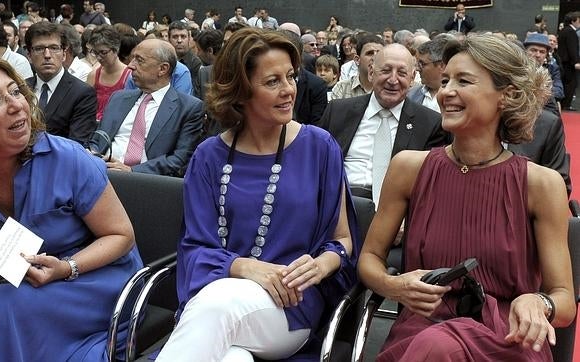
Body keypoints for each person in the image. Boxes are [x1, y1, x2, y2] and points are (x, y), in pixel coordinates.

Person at [358, 34, 575, 361]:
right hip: (422, 330)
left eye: (463, 81)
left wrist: (538, 302)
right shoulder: (408, 168)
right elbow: (369, 259)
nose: (446, 92)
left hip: (507, 337)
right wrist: (395, 286)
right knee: (437, 346)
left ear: (507, 95)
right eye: (445, 80)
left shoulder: (541, 184)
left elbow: (564, 303)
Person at [154, 27, 358, 362]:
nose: (288, 90)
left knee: (218, 306)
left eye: (290, 77)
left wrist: (321, 265)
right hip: (218, 294)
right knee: (233, 356)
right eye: (272, 81)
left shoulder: (319, 147)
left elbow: (344, 239)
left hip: (292, 302)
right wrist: (245, 267)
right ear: (241, 90)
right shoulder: (208, 157)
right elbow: (194, 247)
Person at [0, 53, 142, 360]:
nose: (17, 104)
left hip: (97, 285)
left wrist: (66, 268)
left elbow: (121, 236)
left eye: (16, 91)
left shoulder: (68, 159)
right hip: (20, 297)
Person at [317, 43, 447, 204]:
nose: (393, 80)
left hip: (395, 213)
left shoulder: (430, 124)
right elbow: (315, 164)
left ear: (412, 79)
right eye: (385, 71)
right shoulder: (338, 111)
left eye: (402, 73)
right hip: (337, 204)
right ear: (371, 73)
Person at [91, 39, 203, 176]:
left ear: (163, 69)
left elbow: (179, 159)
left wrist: (132, 171)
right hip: (101, 173)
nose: (130, 66)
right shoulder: (118, 98)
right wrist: (92, 155)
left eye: (139, 60)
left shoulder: (188, 108)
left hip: (146, 183)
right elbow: (96, 140)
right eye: (132, 59)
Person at [25, 21, 97, 146]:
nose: (47, 55)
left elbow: (76, 145)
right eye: (39, 49)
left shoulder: (82, 93)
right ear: (29, 56)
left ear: (64, 54)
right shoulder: (22, 88)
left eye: (54, 48)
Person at [87, 25, 131, 122]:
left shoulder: (129, 76)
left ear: (116, 49)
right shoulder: (93, 75)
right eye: (95, 52)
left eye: (103, 52)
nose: (98, 57)